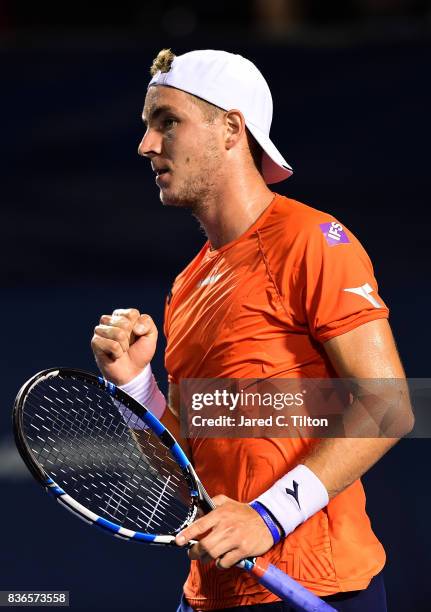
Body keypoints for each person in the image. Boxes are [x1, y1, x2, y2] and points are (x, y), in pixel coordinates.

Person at [91, 49, 413, 611]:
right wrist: (136, 386)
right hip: (209, 596)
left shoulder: (313, 240)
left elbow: (388, 405)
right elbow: (189, 469)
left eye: (168, 122)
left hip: (315, 586)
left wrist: (268, 516)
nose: (146, 145)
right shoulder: (187, 285)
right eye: (147, 126)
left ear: (231, 129)